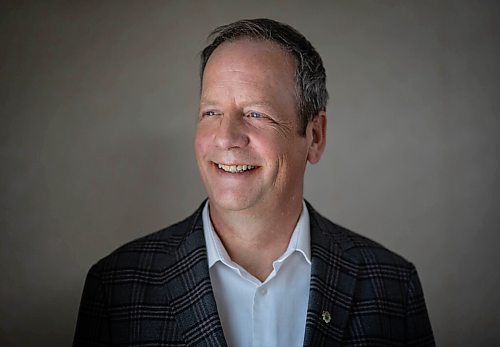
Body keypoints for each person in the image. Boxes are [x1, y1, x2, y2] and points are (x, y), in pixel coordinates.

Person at [73, 18, 435, 346]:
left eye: (255, 114)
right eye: (211, 112)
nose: (226, 137)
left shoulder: (391, 285)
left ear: (315, 136)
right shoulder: (116, 288)